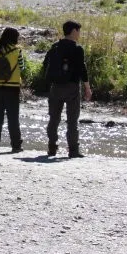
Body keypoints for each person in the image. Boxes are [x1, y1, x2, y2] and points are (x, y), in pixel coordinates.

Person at [43, 20, 92, 158]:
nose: (79, 34)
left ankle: (52, 147)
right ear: (74, 31)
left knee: (54, 119)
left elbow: (45, 65)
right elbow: (82, 69)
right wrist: (87, 88)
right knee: (72, 120)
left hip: (55, 87)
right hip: (72, 87)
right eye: (79, 31)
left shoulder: (55, 47)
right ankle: (73, 150)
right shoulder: (77, 49)